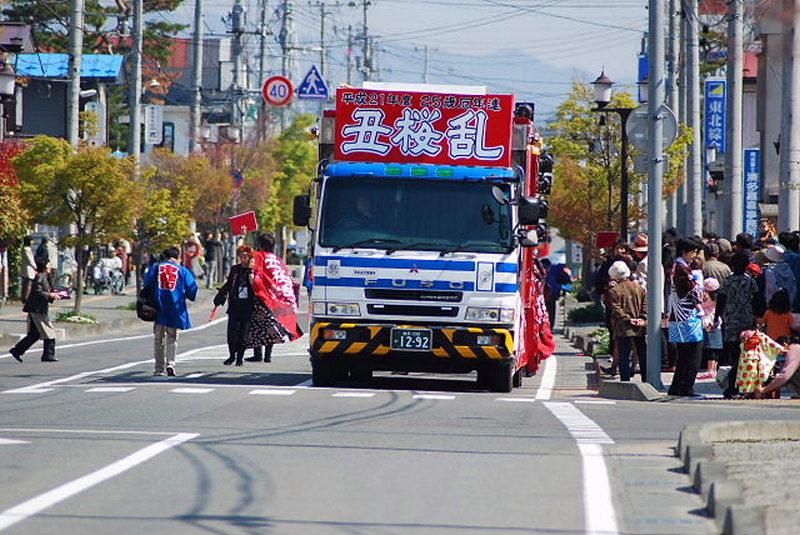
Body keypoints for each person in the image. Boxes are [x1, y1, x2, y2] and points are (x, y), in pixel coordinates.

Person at [244, 232, 302, 363]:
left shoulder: (260, 257)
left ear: (260, 245)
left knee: (256, 324)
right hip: (279, 298)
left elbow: (255, 277)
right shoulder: (278, 260)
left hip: (264, 296)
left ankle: (258, 354)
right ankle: (267, 355)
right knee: (270, 326)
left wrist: (250, 275)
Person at [143, 247, 198, 377]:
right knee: (172, 337)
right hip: (175, 307)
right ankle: (170, 364)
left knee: (159, 338)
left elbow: (147, 283)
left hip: (158, 307)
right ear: (177, 257)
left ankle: (159, 368)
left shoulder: (156, 268)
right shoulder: (182, 270)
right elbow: (192, 289)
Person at [715, 252, 762, 398]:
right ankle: (743, 384)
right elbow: (757, 300)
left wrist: (717, 316)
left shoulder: (727, 280)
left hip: (731, 320)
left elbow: (721, 299)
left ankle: (732, 386)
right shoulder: (750, 281)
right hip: (746, 320)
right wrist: (757, 317)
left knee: (733, 354)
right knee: (746, 353)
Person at [8, 258, 60, 362]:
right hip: (37, 309)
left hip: (36, 308)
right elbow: (38, 291)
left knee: (34, 334)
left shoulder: (44, 276)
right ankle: (48, 355)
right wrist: (50, 295)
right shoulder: (40, 277)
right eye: (49, 264)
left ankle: (17, 350)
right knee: (49, 331)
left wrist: (52, 294)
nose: (50, 266)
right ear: (45, 266)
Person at [214, 246, 258, 366]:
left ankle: (240, 358)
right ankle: (232, 355)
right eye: (241, 256)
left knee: (243, 333)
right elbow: (229, 284)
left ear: (250, 257)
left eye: (245, 256)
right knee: (231, 333)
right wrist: (221, 294)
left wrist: (250, 271)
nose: (243, 258)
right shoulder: (235, 269)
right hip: (234, 305)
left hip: (247, 306)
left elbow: (254, 285)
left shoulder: (253, 270)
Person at [667, 259, 705, 396]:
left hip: (676, 323)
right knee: (694, 357)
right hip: (691, 324)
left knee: (682, 357)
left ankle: (675, 387)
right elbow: (699, 299)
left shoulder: (673, 285)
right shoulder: (692, 286)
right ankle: (688, 387)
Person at [607, 260, 647, 382]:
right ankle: (646, 378)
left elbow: (616, 309)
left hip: (623, 328)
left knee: (624, 355)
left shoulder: (614, 291)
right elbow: (645, 305)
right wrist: (642, 318)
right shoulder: (639, 288)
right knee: (642, 353)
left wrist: (629, 319)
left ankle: (625, 380)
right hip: (640, 326)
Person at [700, 277, 723, 379]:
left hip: (708, 322)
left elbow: (701, 306)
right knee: (716, 347)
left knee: (710, 348)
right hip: (717, 323)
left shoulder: (708, 298)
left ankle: (710, 370)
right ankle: (714, 369)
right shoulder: (718, 298)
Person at [545, 260, 571, 330]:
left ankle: (544, 327)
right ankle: (550, 327)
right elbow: (566, 280)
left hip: (542, 293)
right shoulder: (558, 268)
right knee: (551, 311)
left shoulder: (541, 270)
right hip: (553, 292)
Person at [21, 236, 36, 302]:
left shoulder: (27, 249)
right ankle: (25, 297)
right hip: (28, 269)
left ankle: (25, 297)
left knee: (27, 283)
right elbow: (30, 260)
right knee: (28, 284)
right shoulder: (26, 249)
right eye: (31, 241)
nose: (32, 242)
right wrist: (35, 266)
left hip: (28, 268)